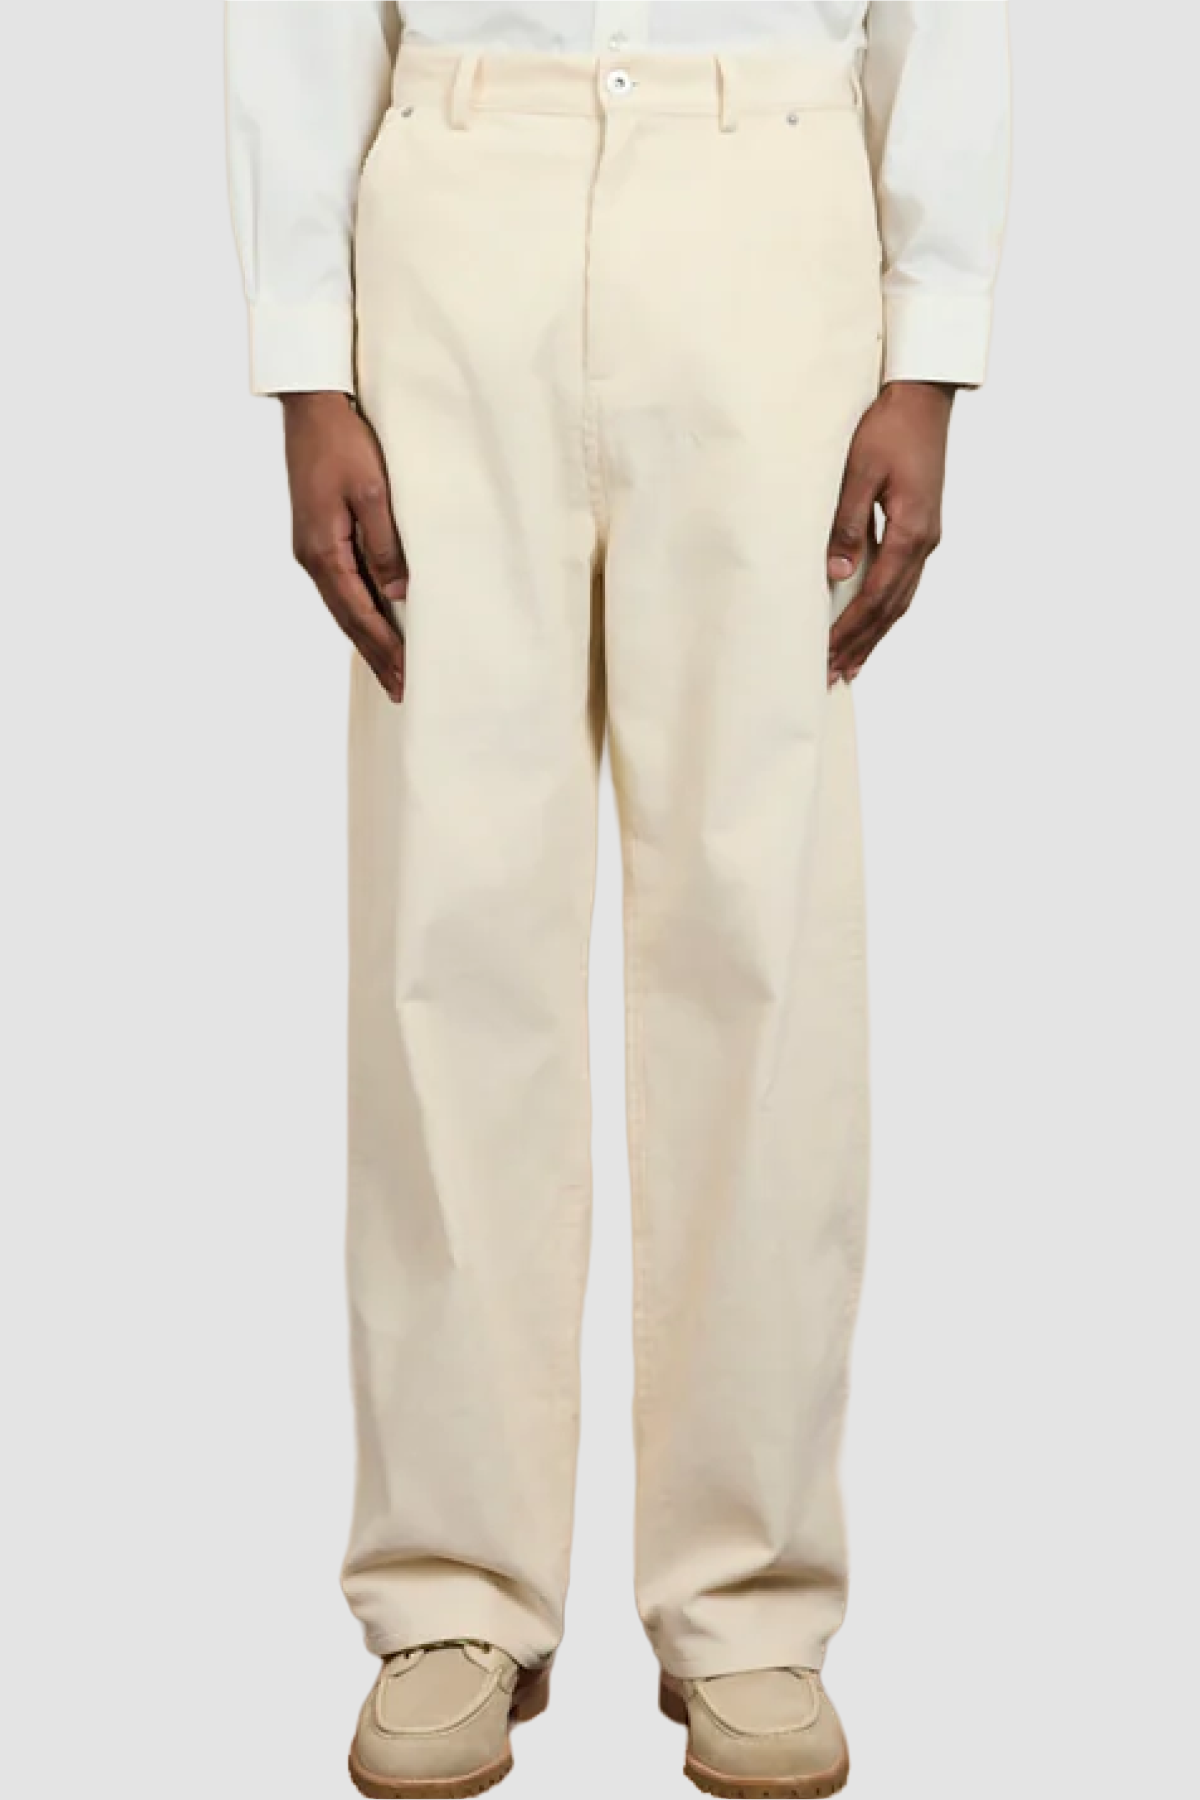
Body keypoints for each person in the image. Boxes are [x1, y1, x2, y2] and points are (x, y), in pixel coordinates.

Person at [225, 4, 1010, 1794]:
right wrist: (305, 358)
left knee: (759, 932)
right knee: (449, 927)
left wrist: (933, 343)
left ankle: (751, 1603)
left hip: (775, 200)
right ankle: (451, 1592)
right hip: (454, 201)